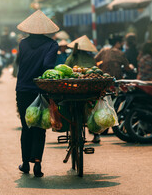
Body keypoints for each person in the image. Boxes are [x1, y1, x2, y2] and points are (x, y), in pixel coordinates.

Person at [16, 10, 59, 177]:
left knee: (26, 126)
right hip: (41, 90)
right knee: (40, 127)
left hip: (22, 90)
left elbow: (20, 64)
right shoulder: (51, 45)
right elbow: (48, 66)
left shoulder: (22, 43)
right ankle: (37, 165)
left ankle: (25, 163)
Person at [64, 35, 101, 143]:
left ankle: (74, 130)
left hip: (74, 88)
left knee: (70, 106)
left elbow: (66, 69)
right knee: (92, 108)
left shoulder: (71, 57)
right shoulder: (91, 58)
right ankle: (96, 134)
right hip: (89, 89)